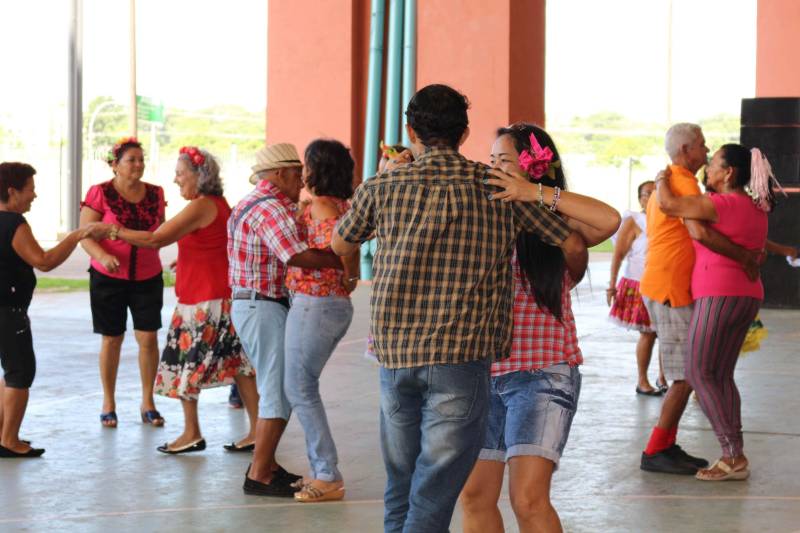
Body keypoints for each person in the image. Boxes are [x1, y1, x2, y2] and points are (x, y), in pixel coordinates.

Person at [332, 85, 582, 532]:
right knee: (435, 489)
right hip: (461, 358)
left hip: (397, 355)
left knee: (403, 483)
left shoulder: (383, 184)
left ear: (411, 131)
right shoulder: (495, 189)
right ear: (464, 134)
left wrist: (358, 264)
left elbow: (339, 241)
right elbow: (571, 239)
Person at [460, 123, 620, 533]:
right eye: (491, 160)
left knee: (528, 500)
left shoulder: (558, 223)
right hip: (479, 372)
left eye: (505, 161)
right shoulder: (483, 212)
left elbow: (608, 220)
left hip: (542, 373)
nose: (493, 168)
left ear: (536, 168)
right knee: (475, 496)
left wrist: (534, 195)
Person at [112, 147, 259, 454]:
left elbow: (155, 239)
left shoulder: (201, 205)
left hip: (205, 301)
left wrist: (114, 230)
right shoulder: (216, 204)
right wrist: (189, 259)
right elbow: (216, 243)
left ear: (198, 176)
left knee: (187, 365)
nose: (176, 180)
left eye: (180, 173)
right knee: (240, 365)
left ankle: (192, 432)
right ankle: (257, 430)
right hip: (218, 295)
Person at [638, 124, 759, 475]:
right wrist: (745, 257)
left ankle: (666, 446)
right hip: (672, 289)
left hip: (673, 286)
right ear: (687, 149)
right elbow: (698, 231)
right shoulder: (684, 183)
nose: (706, 154)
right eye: (703, 147)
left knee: (694, 373)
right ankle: (657, 449)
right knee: (688, 375)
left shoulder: (674, 180)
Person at [228, 143, 345, 497]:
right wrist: (341, 259)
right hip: (262, 305)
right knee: (281, 389)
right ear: (279, 174)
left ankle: (268, 465)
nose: (303, 181)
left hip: (255, 305)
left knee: (281, 385)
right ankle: (260, 472)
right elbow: (294, 255)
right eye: (296, 173)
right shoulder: (270, 207)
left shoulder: (255, 202)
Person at [656, 144, 776, 481]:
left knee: (698, 372)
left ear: (729, 173)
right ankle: (733, 453)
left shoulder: (721, 204)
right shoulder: (757, 207)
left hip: (718, 295)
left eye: (713, 165)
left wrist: (660, 178)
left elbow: (667, 204)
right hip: (747, 295)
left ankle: (732, 455)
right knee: (720, 375)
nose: (707, 170)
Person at [0, 162, 106, 457]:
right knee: (21, 371)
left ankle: (3, 434)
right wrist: (76, 236)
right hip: (8, 310)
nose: (34, 195)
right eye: (30, 190)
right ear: (12, 191)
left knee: (10, 371)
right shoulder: (13, 223)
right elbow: (44, 261)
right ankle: (10, 440)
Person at [284, 139, 360, 502]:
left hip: (316, 302)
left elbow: (332, 253)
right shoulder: (343, 204)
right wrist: (350, 276)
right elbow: (350, 254)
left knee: (299, 386)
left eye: (306, 165)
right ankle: (324, 469)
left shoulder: (322, 206)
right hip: (330, 303)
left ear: (317, 169)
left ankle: (327, 473)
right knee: (301, 384)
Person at [80, 137, 166, 428]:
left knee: (148, 338)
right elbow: (86, 234)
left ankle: (148, 401)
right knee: (112, 338)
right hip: (108, 277)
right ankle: (108, 402)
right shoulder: (100, 192)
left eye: (141, 159)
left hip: (147, 276)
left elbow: (160, 234)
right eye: (131, 160)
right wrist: (103, 256)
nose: (138, 165)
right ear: (114, 165)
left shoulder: (156, 193)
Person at [608, 180, 666, 395]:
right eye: (647, 193)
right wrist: (611, 285)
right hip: (639, 284)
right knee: (648, 334)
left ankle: (663, 377)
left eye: (656, 192)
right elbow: (618, 254)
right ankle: (642, 380)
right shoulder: (634, 220)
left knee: (665, 333)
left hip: (664, 283)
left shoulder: (668, 218)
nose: (651, 197)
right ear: (640, 198)